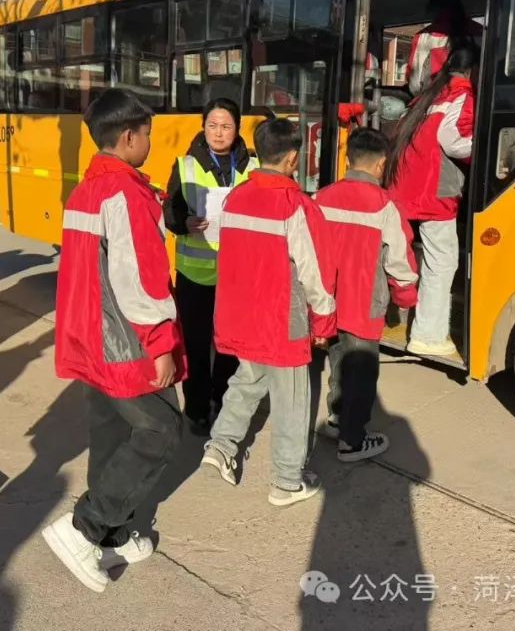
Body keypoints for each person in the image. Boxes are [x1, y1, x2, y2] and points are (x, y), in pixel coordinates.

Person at [43, 88, 186, 594]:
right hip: (125, 339)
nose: (149, 141)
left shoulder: (86, 190)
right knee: (161, 431)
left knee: (110, 434)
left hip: (90, 335)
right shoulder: (127, 194)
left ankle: (116, 530)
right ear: (128, 137)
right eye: (146, 134)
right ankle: (85, 527)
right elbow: (141, 280)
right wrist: (161, 342)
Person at [200, 118, 336, 507]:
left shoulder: (236, 196)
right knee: (293, 398)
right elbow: (316, 273)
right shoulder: (296, 206)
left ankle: (222, 445)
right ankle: (287, 481)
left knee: (248, 378)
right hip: (282, 318)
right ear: (294, 157)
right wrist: (324, 322)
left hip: (243, 312)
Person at [314, 128, 418, 461]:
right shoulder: (386, 206)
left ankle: (335, 418)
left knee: (339, 360)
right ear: (381, 166)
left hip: (328, 302)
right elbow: (401, 261)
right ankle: (353, 441)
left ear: (347, 160)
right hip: (364, 304)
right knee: (362, 371)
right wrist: (405, 299)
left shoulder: (321, 197)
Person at [163, 98, 257, 434]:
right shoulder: (186, 164)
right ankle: (197, 410)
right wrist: (183, 222)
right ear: (203, 128)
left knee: (231, 346)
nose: (218, 133)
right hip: (196, 275)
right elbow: (170, 210)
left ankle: (223, 400)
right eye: (212, 125)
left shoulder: (253, 165)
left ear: (237, 129)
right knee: (197, 346)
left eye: (226, 126)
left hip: (237, 275)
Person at [388, 42, 479, 359]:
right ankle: (428, 336)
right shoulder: (462, 94)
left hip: (406, 185)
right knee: (442, 262)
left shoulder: (429, 94)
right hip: (434, 190)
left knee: (399, 252)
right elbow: (454, 142)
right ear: (473, 70)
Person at [405, 0, 483, 95]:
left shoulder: (424, 36)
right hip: (475, 102)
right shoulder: (480, 32)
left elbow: (415, 84)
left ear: (434, 9)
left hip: (435, 103)